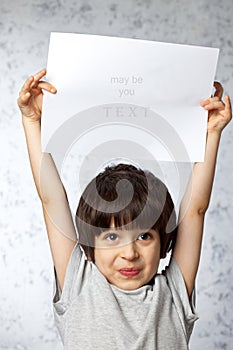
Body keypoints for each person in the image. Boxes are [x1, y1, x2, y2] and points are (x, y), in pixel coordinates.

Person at [17, 68, 232, 350]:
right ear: (89, 245)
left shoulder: (174, 295)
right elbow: (51, 199)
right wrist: (32, 121)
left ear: (164, 242)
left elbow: (195, 211)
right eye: (111, 237)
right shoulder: (78, 284)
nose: (129, 253)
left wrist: (211, 132)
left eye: (144, 237)